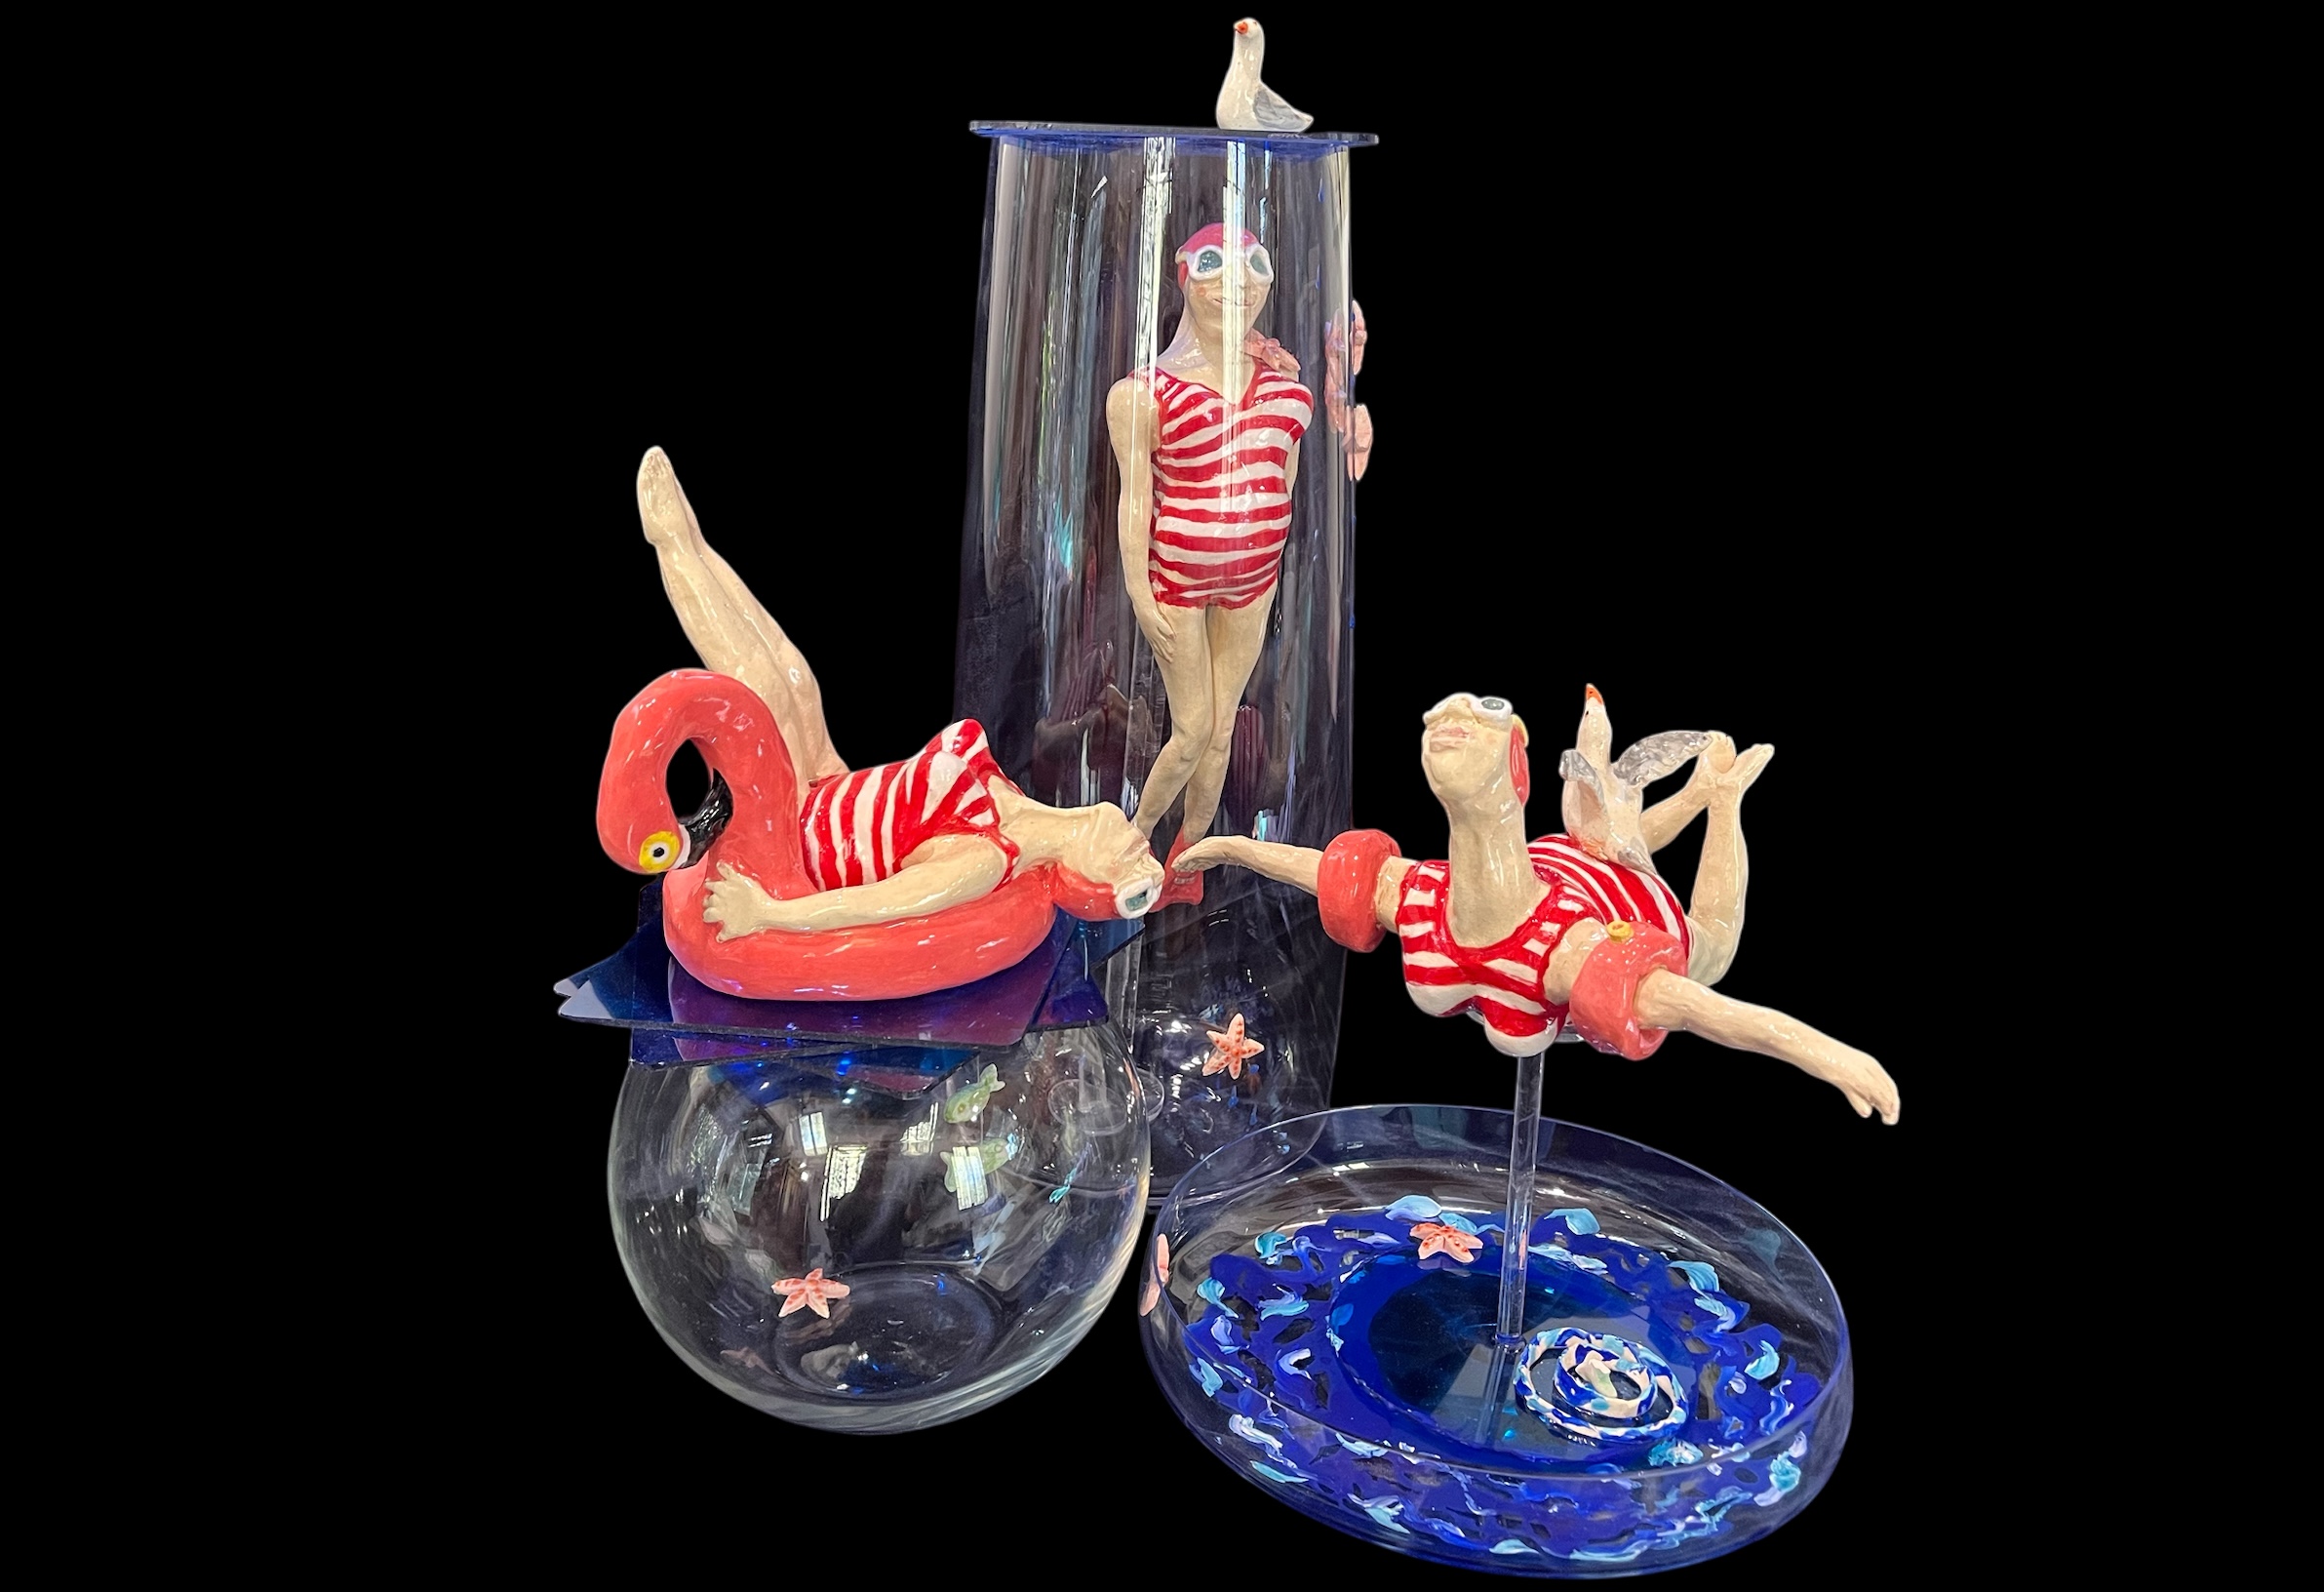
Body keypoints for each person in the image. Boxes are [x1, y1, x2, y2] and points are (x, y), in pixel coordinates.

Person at [1173, 689, 1901, 1122]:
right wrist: (1232, 848)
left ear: (1515, 767)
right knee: (1606, 835)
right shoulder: (1420, 897)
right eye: (1446, 713)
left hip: (1627, 914)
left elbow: (1716, 1013)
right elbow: (1318, 869)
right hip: (1566, 859)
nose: (1452, 712)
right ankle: (1699, 794)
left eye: (1486, 713)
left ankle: (1724, 799)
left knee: (1710, 941)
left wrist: (1828, 1056)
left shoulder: (1572, 952)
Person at [631, 449, 1164, 942]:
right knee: (792, 674)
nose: (1138, 849)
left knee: (761, 681)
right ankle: (691, 540)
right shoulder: (1012, 800)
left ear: (1085, 874)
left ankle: (671, 542)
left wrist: (766, 913)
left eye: (1129, 868)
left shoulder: (984, 860)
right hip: (831, 785)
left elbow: (875, 905)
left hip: (802, 831)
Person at [1106, 223, 1314, 905]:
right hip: (1177, 581)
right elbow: (1136, 501)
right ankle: (1129, 846)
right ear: (1182, 273)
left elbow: (1281, 488)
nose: (1239, 280)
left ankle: (1183, 868)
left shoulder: (1289, 393)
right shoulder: (1142, 394)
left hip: (1254, 583)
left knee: (1221, 732)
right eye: (1215, 263)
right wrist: (1140, 593)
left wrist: (1266, 561)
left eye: (1255, 263)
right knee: (1192, 728)